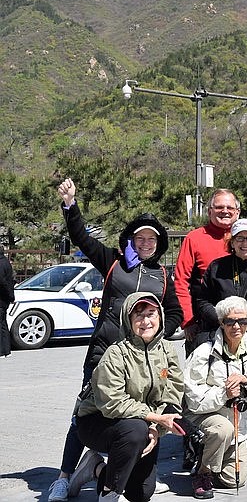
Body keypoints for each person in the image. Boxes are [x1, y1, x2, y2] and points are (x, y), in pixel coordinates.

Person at [49, 178, 183, 502]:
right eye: (141, 237)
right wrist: (70, 204)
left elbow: (176, 313)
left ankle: (106, 470)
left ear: (159, 244)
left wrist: (154, 336)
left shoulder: (163, 275)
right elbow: (80, 236)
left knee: (135, 416)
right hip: (103, 351)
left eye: (153, 239)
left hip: (140, 358)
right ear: (131, 239)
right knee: (84, 410)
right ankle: (64, 477)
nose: (147, 243)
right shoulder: (113, 262)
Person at [74, 292, 185, 502]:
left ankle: (95, 468)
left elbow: (173, 394)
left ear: (160, 317)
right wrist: (153, 419)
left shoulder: (168, 350)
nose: (146, 321)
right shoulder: (116, 353)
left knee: (141, 493)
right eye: (139, 316)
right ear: (128, 320)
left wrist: (157, 429)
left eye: (151, 314)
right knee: (134, 429)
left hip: (145, 425)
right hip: (97, 421)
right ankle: (109, 493)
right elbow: (112, 402)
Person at [184, 296, 247, 497]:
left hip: (238, 427)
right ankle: (203, 472)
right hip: (206, 418)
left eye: (242, 321)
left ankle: (207, 455)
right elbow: (192, 397)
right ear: (221, 323)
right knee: (222, 429)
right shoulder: (204, 352)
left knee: (235, 480)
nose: (236, 327)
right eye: (230, 321)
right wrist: (223, 394)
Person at [192, 219, 247, 342]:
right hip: (221, 332)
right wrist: (224, 320)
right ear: (232, 242)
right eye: (240, 238)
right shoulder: (216, 267)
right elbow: (203, 301)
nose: (245, 243)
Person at [175, 189, 240, 332]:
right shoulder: (194, 238)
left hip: (242, 324)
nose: (225, 211)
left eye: (230, 207)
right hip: (204, 324)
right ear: (210, 211)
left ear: (237, 212)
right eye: (218, 207)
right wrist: (188, 321)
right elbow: (181, 282)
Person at [0, 245, 14, 358]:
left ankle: (3, 350)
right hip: (4, 299)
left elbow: (2, 282)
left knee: (1, 324)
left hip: (1, 298)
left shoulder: (1, 263)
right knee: (3, 324)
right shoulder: (5, 262)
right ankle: (5, 350)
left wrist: (9, 295)